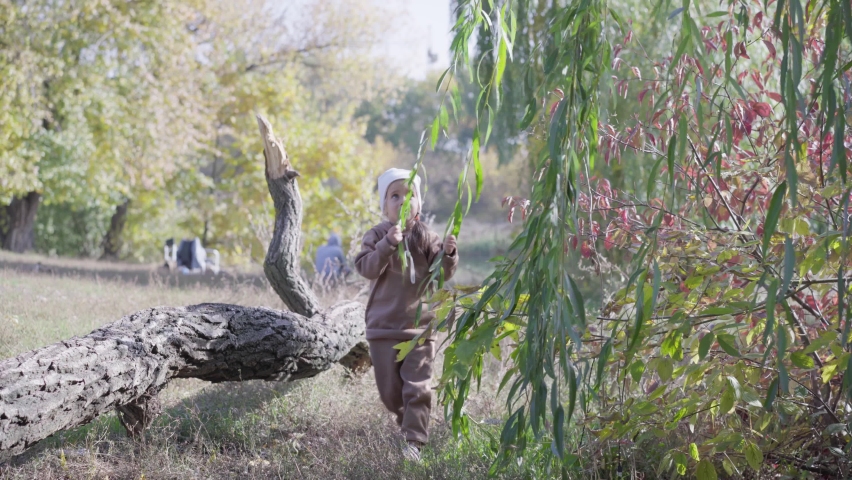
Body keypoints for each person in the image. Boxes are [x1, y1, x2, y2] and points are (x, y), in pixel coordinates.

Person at [354, 168, 459, 462]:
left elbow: (441, 276)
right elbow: (367, 268)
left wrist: (448, 255)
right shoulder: (376, 235)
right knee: (390, 393)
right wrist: (387, 244)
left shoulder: (427, 236)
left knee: (418, 386)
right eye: (395, 196)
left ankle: (414, 441)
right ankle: (407, 424)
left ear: (419, 204)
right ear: (384, 205)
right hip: (384, 328)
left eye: (409, 195)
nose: (402, 201)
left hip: (420, 329)